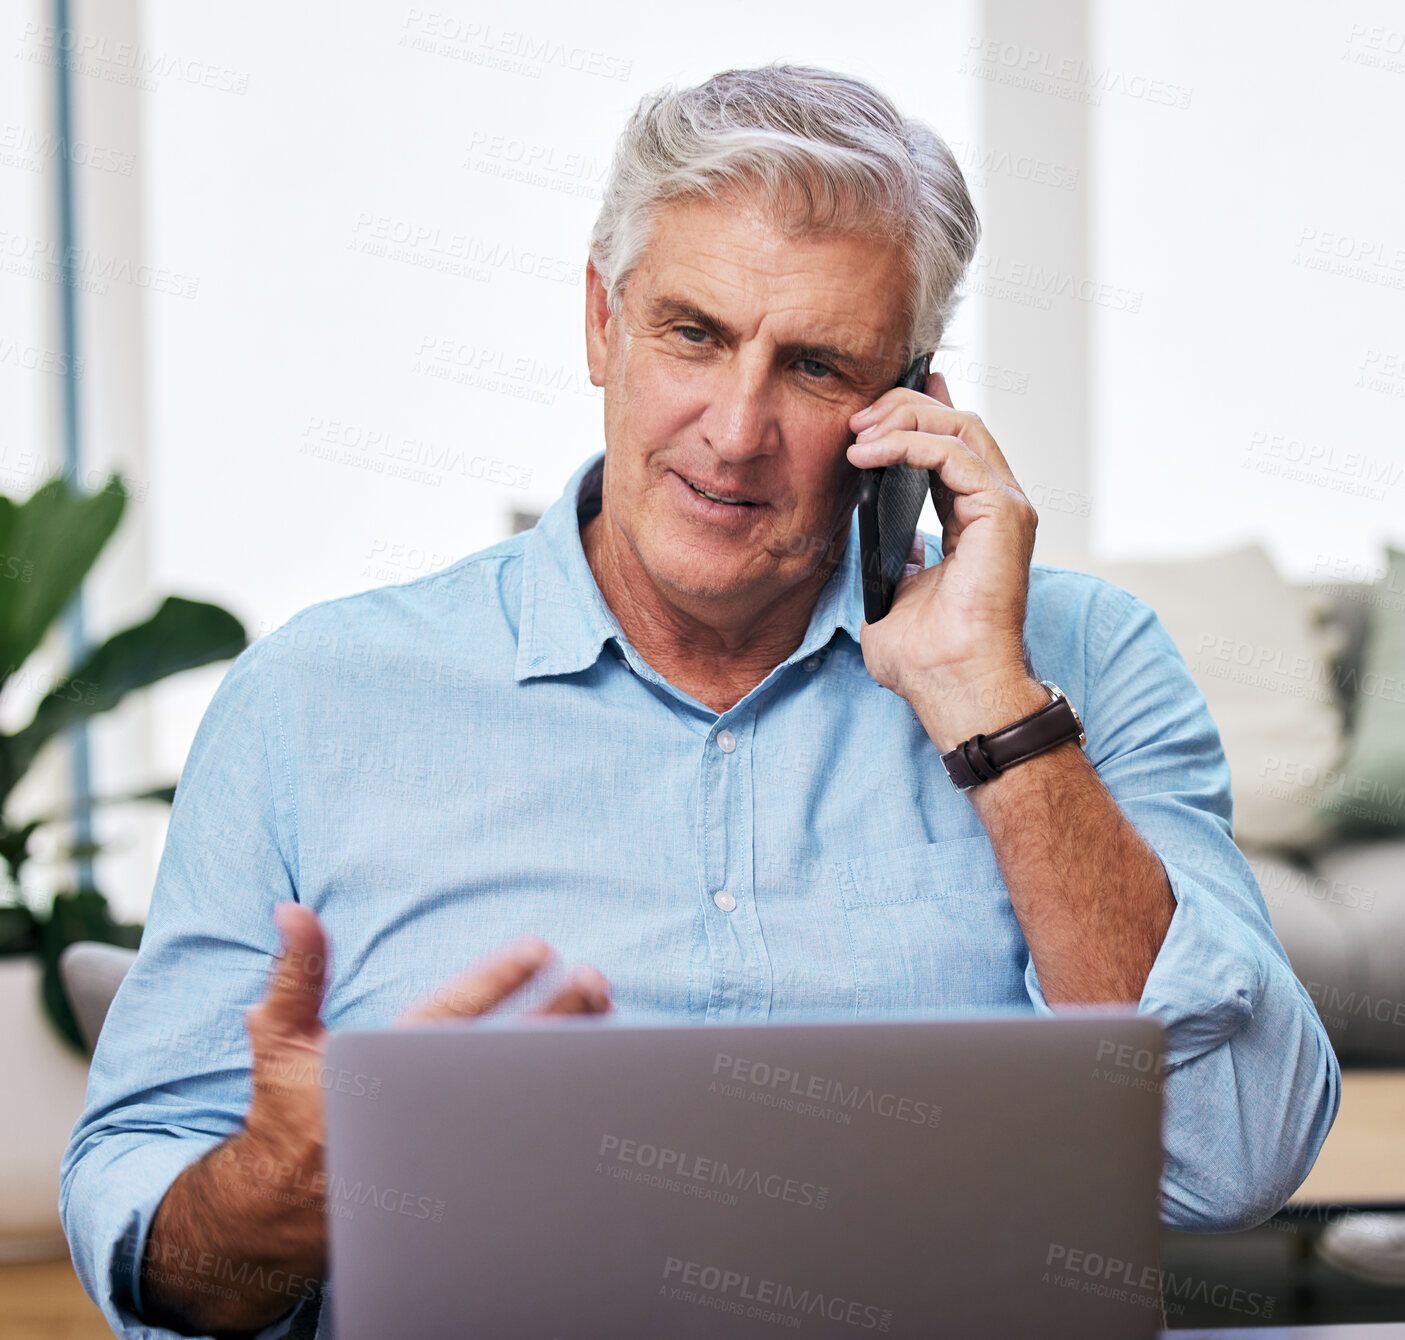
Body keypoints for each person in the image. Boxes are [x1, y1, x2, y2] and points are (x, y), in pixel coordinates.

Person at [61, 63, 1339, 1337]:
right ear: (600, 323)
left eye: (817, 364)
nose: (735, 430)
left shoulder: (1083, 665)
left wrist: (989, 707)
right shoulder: (312, 700)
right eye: (693, 332)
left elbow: (1232, 1156)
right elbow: (144, 1209)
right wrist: (260, 1205)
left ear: (908, 406)